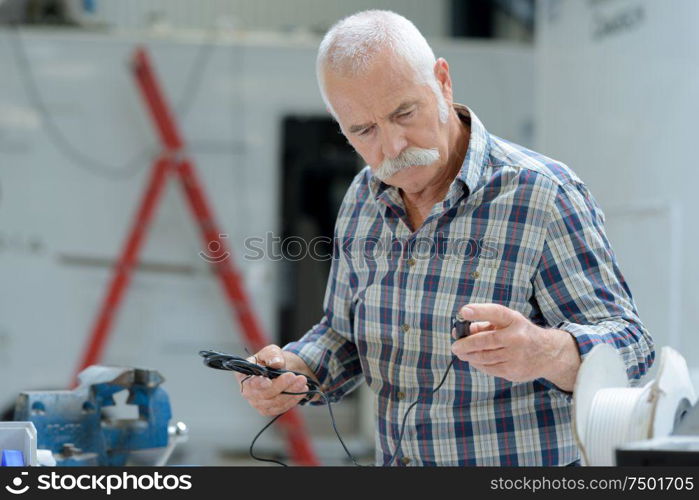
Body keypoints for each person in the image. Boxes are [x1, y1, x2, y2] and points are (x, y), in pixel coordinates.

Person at [236, 10, 655, 466]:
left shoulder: (541, 194)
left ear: (442, 81)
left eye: (404, 113)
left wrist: (546, 351)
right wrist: (296, 371)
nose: (393, 145)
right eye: (364, 130)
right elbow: (343, 335)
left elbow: (633, 346)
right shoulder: (361, 197)